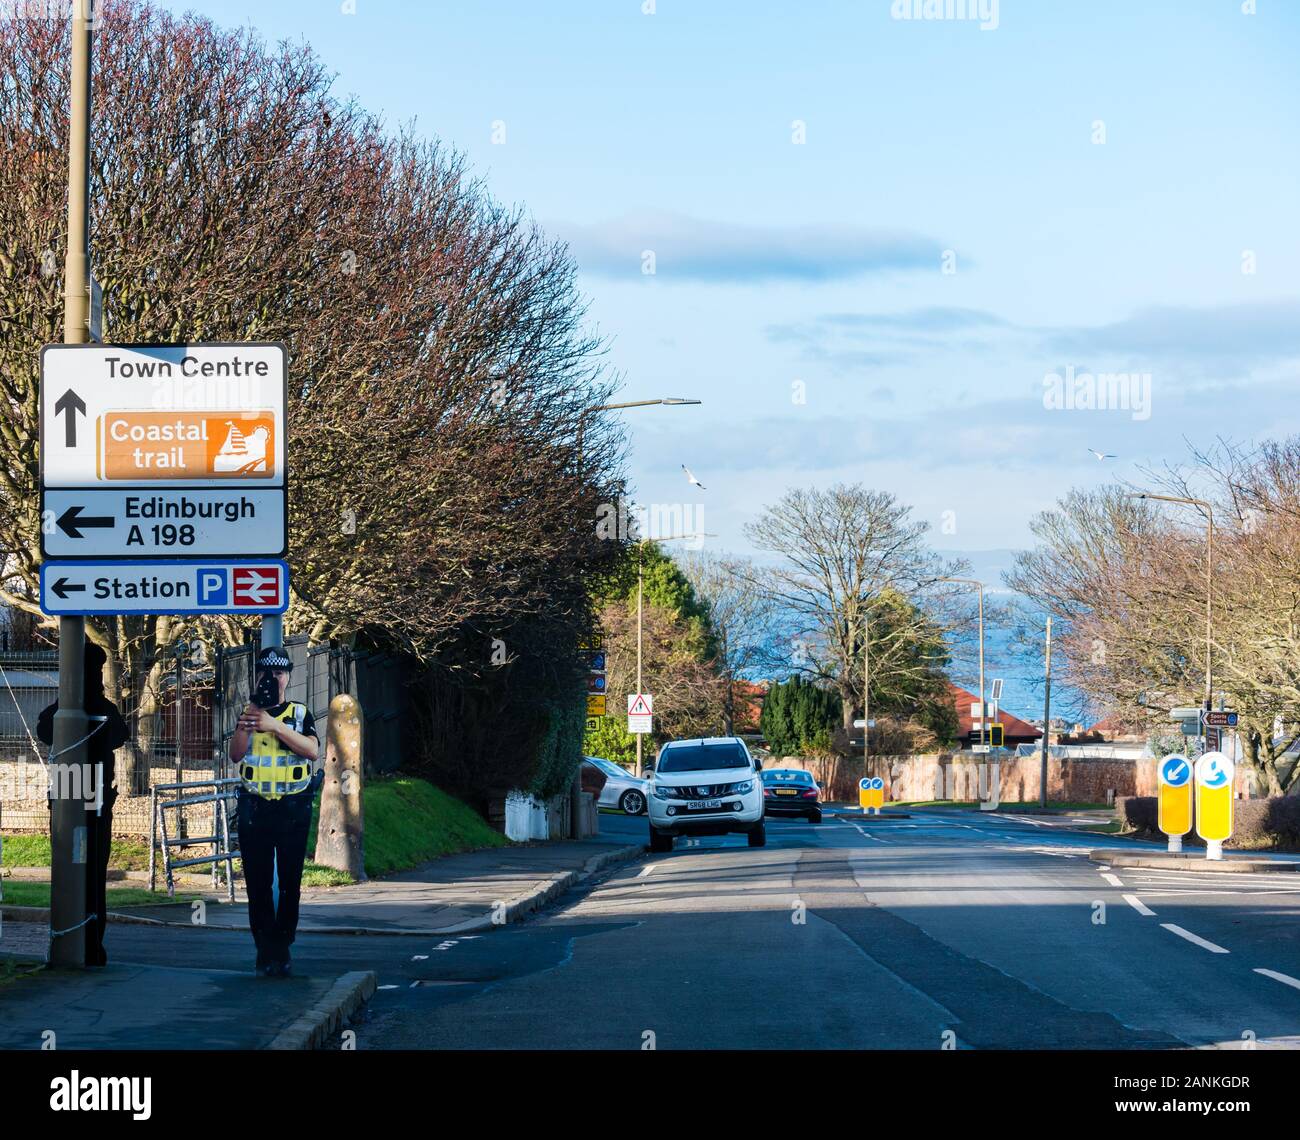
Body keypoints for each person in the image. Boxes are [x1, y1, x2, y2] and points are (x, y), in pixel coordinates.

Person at [36, 641, 130, 967]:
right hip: (93, 794)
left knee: (69, 868)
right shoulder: (98, 708)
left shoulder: (70, 708)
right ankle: (90, 943)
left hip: (72, 791)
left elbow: (45, 729)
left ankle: (73, 939)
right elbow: (120, 734)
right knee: (90, 872)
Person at [229, 646, 321, 977]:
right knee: (257, 883)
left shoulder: (299, 712)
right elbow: (236, 755)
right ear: (257, 676)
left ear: (288, 677)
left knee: (289, 884)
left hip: (293, 807)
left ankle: (282, 946)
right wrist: (251, 718)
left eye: (279, 673)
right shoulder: (248, 713)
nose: (272, 679)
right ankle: (264, 948)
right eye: (266, 673)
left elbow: (312, 751)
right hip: (255, 807)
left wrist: (274, 725)